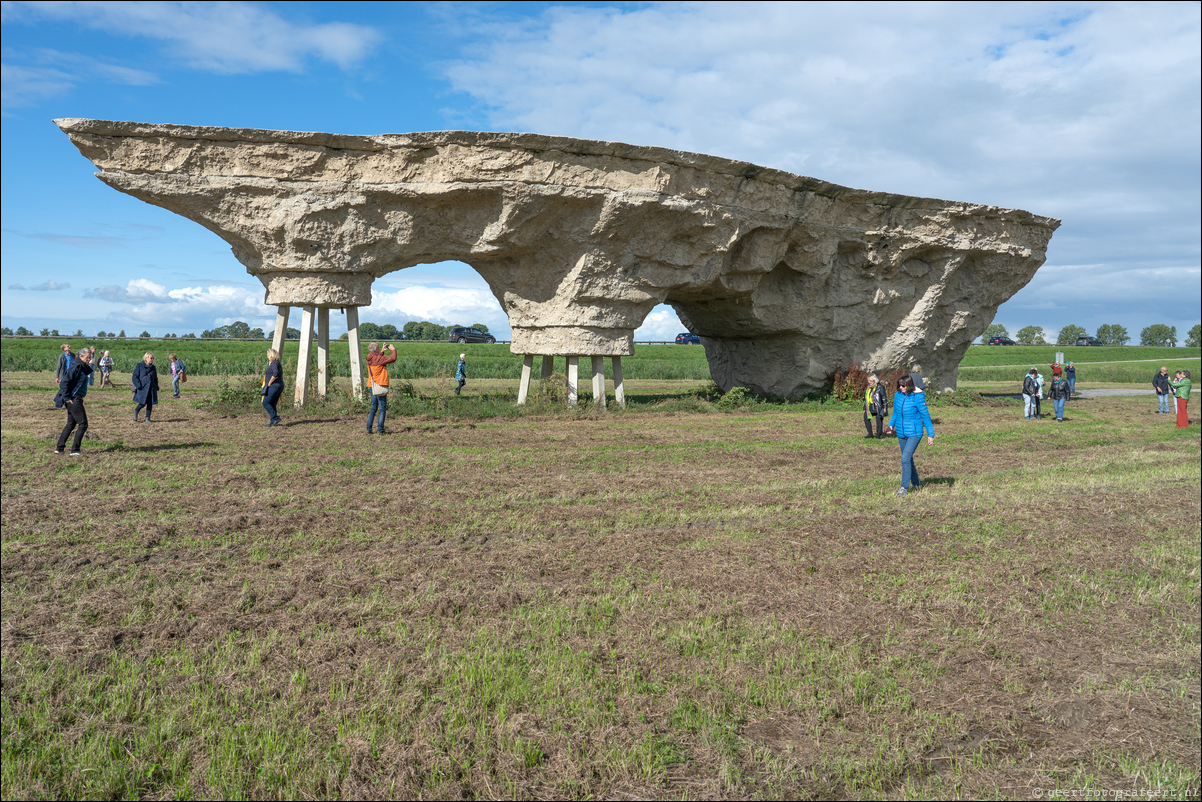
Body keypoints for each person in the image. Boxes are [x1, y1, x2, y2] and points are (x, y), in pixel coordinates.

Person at [888, 374, 935, 496]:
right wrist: (890, 425)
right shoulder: (897, 395)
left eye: (903, 385)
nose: (901, 387)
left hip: (915, 432)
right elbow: (895, 413)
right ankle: (916, 483)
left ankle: (904, 488)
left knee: (905, 458)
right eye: (899, 385)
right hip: (901, 432)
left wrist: (931, 434)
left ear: (909, 385)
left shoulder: (918, 397)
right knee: (908, 458)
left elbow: (925, 416)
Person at [55, 347, 93, 456]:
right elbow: (64, 383)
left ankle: (59, 447)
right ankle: (75, 450)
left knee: (71, 424)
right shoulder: (76, 367)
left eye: (90, 358)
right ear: (80, 356)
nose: (88, 360)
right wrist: (67, 398)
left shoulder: (81, 366)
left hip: (75, 399)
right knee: (83, 424)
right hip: (74, 399)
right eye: (87, 358)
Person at [365, 341, 397, 434]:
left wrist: (382, 351)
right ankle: (381, 430)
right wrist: (393, 350)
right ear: (375, 349)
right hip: (380, 385)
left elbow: (377, 358)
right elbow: (393, 358)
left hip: (372, 385)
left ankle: (369, 429)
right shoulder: (379, 359)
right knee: (382, 408)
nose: (379, 348)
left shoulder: (368, 358)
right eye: (378, 347)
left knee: (373, 407)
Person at [131, 352, 159, 422]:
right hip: (142, 388)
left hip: (151, 388)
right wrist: (138, 385)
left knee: (150, 403)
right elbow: (135, 376)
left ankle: (147, 418)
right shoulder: (139, 365)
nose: (152, 359)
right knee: (142, 403)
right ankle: (136, 411)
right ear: (146, 358)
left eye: (153, 358)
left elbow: (155, 378)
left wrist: (156, 386)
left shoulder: (153, 368)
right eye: (151, 358)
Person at [262, 348, 283, 426]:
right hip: (278, 385)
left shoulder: (274, 363)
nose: (267, 356)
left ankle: (275, 418)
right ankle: (273, 421)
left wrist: (270, 382)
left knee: (265, 402)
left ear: (271, 355)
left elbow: (275, 373)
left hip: (274, 386)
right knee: (272, 403)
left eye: (268, 355)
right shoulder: (276, 363)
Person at [863, 374, 887, 439]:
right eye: (868, 381)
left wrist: (885, 408)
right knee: (866, 418)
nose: (869, 382)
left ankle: (878, 435)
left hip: (878, 406)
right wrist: (864, 407)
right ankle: (870, 433)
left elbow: (884, 398)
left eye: (870, 381)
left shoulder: (880, 387)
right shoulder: (869, 388)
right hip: (870, 406)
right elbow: (866, 398)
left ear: (874, 380)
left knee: (879, 421)